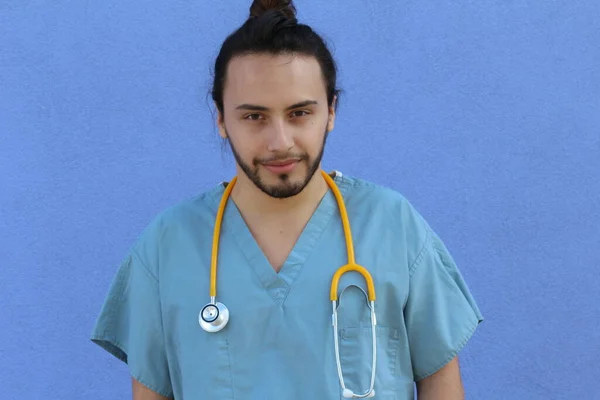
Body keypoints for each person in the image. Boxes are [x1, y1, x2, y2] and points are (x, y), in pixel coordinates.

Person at [90, 0, 484, 399]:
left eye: (299, 113)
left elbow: (441, 386)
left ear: (331, 111)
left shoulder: (393, 226)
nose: (280, 142)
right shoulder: (168, 244)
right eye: (254, 117)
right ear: (221, 119)